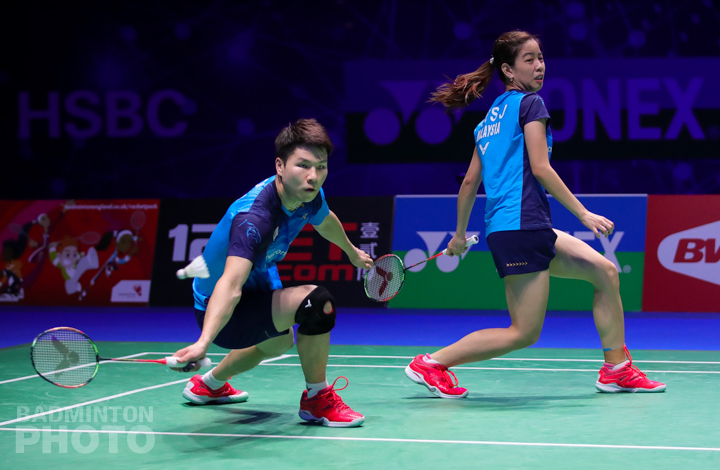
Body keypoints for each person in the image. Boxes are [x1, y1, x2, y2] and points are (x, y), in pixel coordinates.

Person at [405, 30, 665, 398]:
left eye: (540, 57)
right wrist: (583, 214)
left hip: (521, 226)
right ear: (508, 71)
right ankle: (432, 363)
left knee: (606, 272)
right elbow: (541, 168)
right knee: (524, 332)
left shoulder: (486, 123)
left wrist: (459, 235)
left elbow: (469, 184)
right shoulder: (531, 105)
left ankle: (616, 369)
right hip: (522, 227)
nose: (540, 65)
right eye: (529, 60)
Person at [172, 118, 373, 427]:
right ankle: (317, 400)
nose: (313, 176)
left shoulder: (307, 195)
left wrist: (351, 252)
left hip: (258, 284)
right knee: (316, 303)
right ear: (280, 165)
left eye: (321, 167)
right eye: (303, 165)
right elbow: (231, 283)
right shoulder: (254, 218)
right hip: (220, 307)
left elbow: (325, 220)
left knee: (279, 343)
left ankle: (208, 385)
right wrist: (203, 343)